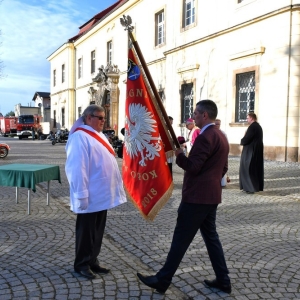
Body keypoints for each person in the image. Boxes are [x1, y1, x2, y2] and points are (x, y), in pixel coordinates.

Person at [137, 100, 231, 294]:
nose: (193, 116)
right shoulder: (220, 135)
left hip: (197, 198)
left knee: (181, 239)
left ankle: (163, 279)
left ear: (205, 115)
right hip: (210, 196)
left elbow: (193, 167)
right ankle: (223, 280)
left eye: (196, 113)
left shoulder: (206, 137)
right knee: (211, 238)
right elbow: (223, 168)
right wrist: (212, 182)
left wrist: (180, 155)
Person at [65, 104, 127, 279]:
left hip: (101, 193)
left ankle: (92, 260)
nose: (103, 121)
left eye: (104, 118)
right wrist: (81, 194)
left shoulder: (98, 135)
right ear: (88, 118)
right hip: (90, 193)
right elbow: (77, 168)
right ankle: (81, 264)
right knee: (86, 231)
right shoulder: (80, 137)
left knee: (98, 230)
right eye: (99, 117)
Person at [239, 112, 264, 194]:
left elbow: (247, 138)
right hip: (256, 150)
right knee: (253, 168)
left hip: (250, 150)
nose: (247, 119)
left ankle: (250, 187)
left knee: (248, 167)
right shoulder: (258, 126)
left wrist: (242, 139)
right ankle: (249, 187)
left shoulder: (252, 127)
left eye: (247, 118)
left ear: (251, 118)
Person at [215, 119, 230, 186]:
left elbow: (226, 144)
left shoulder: (223, 133)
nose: (217, 125)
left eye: (219, 124)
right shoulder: (211, 133)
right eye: (216, 124)